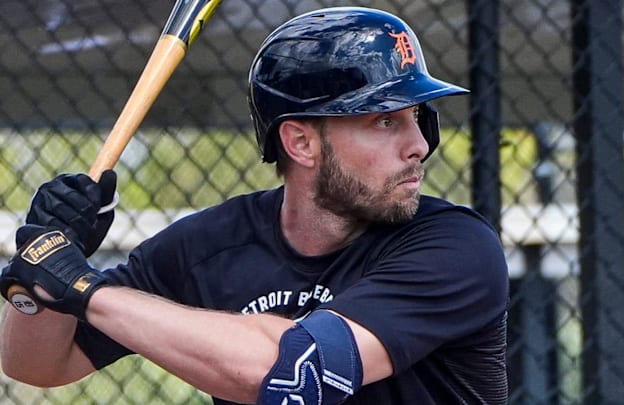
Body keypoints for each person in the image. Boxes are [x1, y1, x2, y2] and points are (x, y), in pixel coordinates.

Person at [0, 7, 509, 405]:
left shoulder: (455, 248)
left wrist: (82, 287)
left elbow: (295, 372)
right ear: (301, 143)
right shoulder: (212, 246)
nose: (418, 143)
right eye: (383, 121)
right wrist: (45, 278)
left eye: (416, 117)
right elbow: (38, 366)